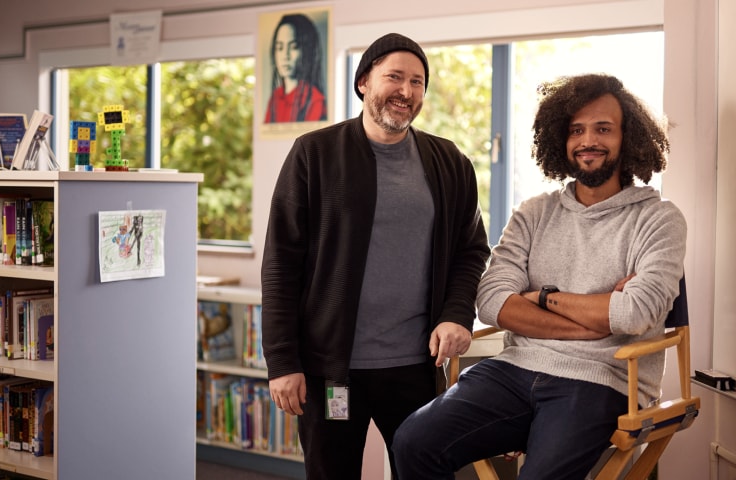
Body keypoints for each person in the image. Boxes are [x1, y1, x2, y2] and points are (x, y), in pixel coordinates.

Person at [393, 73, 687, 479]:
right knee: (413, 441)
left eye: (604, 129)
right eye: (576, 130)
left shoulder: (659, 219)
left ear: (630, 137)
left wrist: (540, 298)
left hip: (602, 381)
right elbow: (492, 300)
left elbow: (635, 314)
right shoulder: (534, 212)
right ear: (560, 140)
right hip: (513, 369)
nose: (588, 141)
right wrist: (594, 320)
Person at [261, 32, 490, 479]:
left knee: (426, 471)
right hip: (332, 369)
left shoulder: (449, 161)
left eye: (418, 82)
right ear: (364, 81)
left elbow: (470, 249)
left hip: (415, 365)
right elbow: (280, 263)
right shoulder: (315, 154)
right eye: (395, 77)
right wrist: (283, 361)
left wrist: (458, 314)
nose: (406, 91)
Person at [264, 13, 327, 123]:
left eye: (293, 47)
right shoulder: (275, 98)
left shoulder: (315, 100)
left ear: (306, 50)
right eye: (280, 48)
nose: (285, 56)